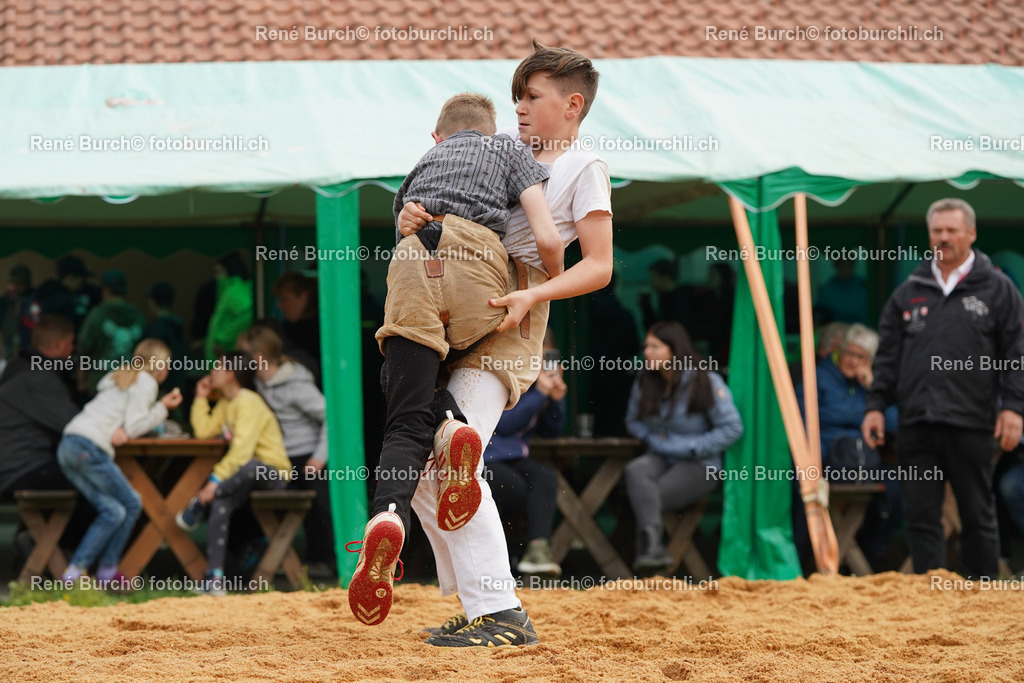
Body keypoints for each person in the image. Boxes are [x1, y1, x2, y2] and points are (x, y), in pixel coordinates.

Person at [398, 40, 613, 647]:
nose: (518, 107)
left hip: (510, 322)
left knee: (450, 457)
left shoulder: (583, 167)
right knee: (422, 468)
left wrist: (532, 295)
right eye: (517, 95)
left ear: (572, 106)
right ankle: (479, 604)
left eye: (532, 97)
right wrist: (418, 219)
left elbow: (598, 266)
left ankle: (500, 611)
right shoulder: (501, 152)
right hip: (451, 312)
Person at [349, 90, 564, 627]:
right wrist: (547, 288)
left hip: (415, 258)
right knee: (457, 357)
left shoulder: (419, 167)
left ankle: (388, 515)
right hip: (478, 267)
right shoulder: (510, 151)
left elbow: (402, 224)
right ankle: (450, 427)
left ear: (436, 137)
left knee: (404, 402)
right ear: (491, 130)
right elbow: (545, 235)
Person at [863, 198, 1024, 580]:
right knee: (920, 516)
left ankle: (981, 598)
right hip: (917, 422)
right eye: (937, 231)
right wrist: (874, 406)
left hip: (972, 422)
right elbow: (887, 358)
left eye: (952, 230)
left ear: (971, 233)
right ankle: (929, 602)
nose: (944, 238)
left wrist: (1014, 407)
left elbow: (1017, 353)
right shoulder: (909, 291)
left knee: (976, 515)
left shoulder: (998, 289)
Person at [57, 339, 182, 585]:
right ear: (159, 367)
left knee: (113, 511)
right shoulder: (145, 383)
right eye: (167, 364)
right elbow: (136, 425)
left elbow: (124, 421)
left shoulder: (121, 377)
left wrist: (124, 427)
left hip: (69, 445)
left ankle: (74, 573)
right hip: (89, 447)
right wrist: (162, 408)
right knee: (133, 502)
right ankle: (106, 571)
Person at [624, 321, 743, 571]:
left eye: (656, 346)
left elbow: (733, 428)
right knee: (635, 470)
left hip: (700, 462)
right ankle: (652, 551)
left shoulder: (704, 381)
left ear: (674, 350)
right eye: (646, 346)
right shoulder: (646, 380)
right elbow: (632, 420)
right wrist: (653, 439)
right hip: (660, 454)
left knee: (648, 495)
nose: (647, 352)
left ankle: (648, 556)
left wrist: (693, 446)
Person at [177, 350, 292, 595]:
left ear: (230, 374)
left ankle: (199, 503)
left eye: (217, 367)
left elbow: (242, 451)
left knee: (249, 466)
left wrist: (214, 481)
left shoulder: (248, 401)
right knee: (221, 503)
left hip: (273, 474)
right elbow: (204, 431)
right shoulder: (226, 403)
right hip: (245, 478)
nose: (212, 372)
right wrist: (200, 398)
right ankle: (214, 578)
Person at [796, 324, 899, 570]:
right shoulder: (819, 377)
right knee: (800, 490)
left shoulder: (874, 383)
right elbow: (801, 422)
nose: (852, 361)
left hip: (866, 461)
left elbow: (895, 423)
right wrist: (815, 463)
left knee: (897, 491)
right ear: (839, 350)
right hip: (827, 459)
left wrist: (873, 388)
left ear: (871, 361)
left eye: (860, 357)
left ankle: (867, 552)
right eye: (849, 353)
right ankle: (807, 561)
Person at [236, 326, 335, 576]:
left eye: (243, 355)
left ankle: (326, 562)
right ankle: (259, 560)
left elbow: (331, 418)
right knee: (249, 497)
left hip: (305, 455)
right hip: (276, 457)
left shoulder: (296, 384)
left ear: (258, 357)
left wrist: (319, 457)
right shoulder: (255, 383)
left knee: (318, 507)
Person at [484, 328, 566, 576]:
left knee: (546, 477)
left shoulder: (537, 385)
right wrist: (539, 394)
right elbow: (504, 424)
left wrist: (556, 399)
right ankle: (504, 560)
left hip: (514, 458)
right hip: (485, 458)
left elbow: (552, 431)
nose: (543, 359)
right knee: (516, 491)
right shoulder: (507, 376)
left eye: (548, 353)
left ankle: (537, 550)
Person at [0, 315, 80, 501]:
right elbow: (74, 425)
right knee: (103, 485)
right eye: (71, 343)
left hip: (13, 464)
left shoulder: (19, 367)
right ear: (60, 345)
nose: (73, 350)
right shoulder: (39, 378)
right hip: (22, 468)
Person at [77, 270, 146, 396]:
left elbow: (83, 348)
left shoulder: (97, 315)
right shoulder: (138, 318)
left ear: (105, 290)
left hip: (99, 384)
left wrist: (81, 382)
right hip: (130, 383)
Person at [27, 255, 100, 336]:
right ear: (70, 277)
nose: (82, 283)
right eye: (80, 278)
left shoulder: (89, 292)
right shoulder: (53, 297)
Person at [144, 281, 189, 400]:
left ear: (153, 302)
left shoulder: (158, 328)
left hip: (163, 386)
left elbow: (153, 360)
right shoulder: (177, 325)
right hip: (178, 381)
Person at [205, 253, 253, 361]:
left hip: (227, 358)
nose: (216, 277)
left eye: (219, 272)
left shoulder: (234, 291)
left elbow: (248, 314)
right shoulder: (236, 289)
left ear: (229, 271)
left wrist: (222, 340)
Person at [273, 272, 321, 365]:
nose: (279, 306)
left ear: (304, 296)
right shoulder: (288, 327)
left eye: (284, 299)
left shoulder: (321, 329)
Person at [640, 258, 692, 332]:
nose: (651, 282)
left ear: (665, 278)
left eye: (654, 277)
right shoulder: (666, 298)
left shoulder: (678, 301)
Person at [816, 258, 869, 325]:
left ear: (853, 266)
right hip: (835, 330)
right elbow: (821, 315)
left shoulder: (863, 286)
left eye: (848, 266)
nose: (845, 269)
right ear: (836, 266)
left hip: (862, 329)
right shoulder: (827, 289)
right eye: (842, 265)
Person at [1, 264, 33, 360]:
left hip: (30, 357)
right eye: (10, 283)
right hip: (8, 355)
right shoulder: (4, 303)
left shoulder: (35, 302)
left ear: (26, 284)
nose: (12, 288)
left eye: (17, 284)